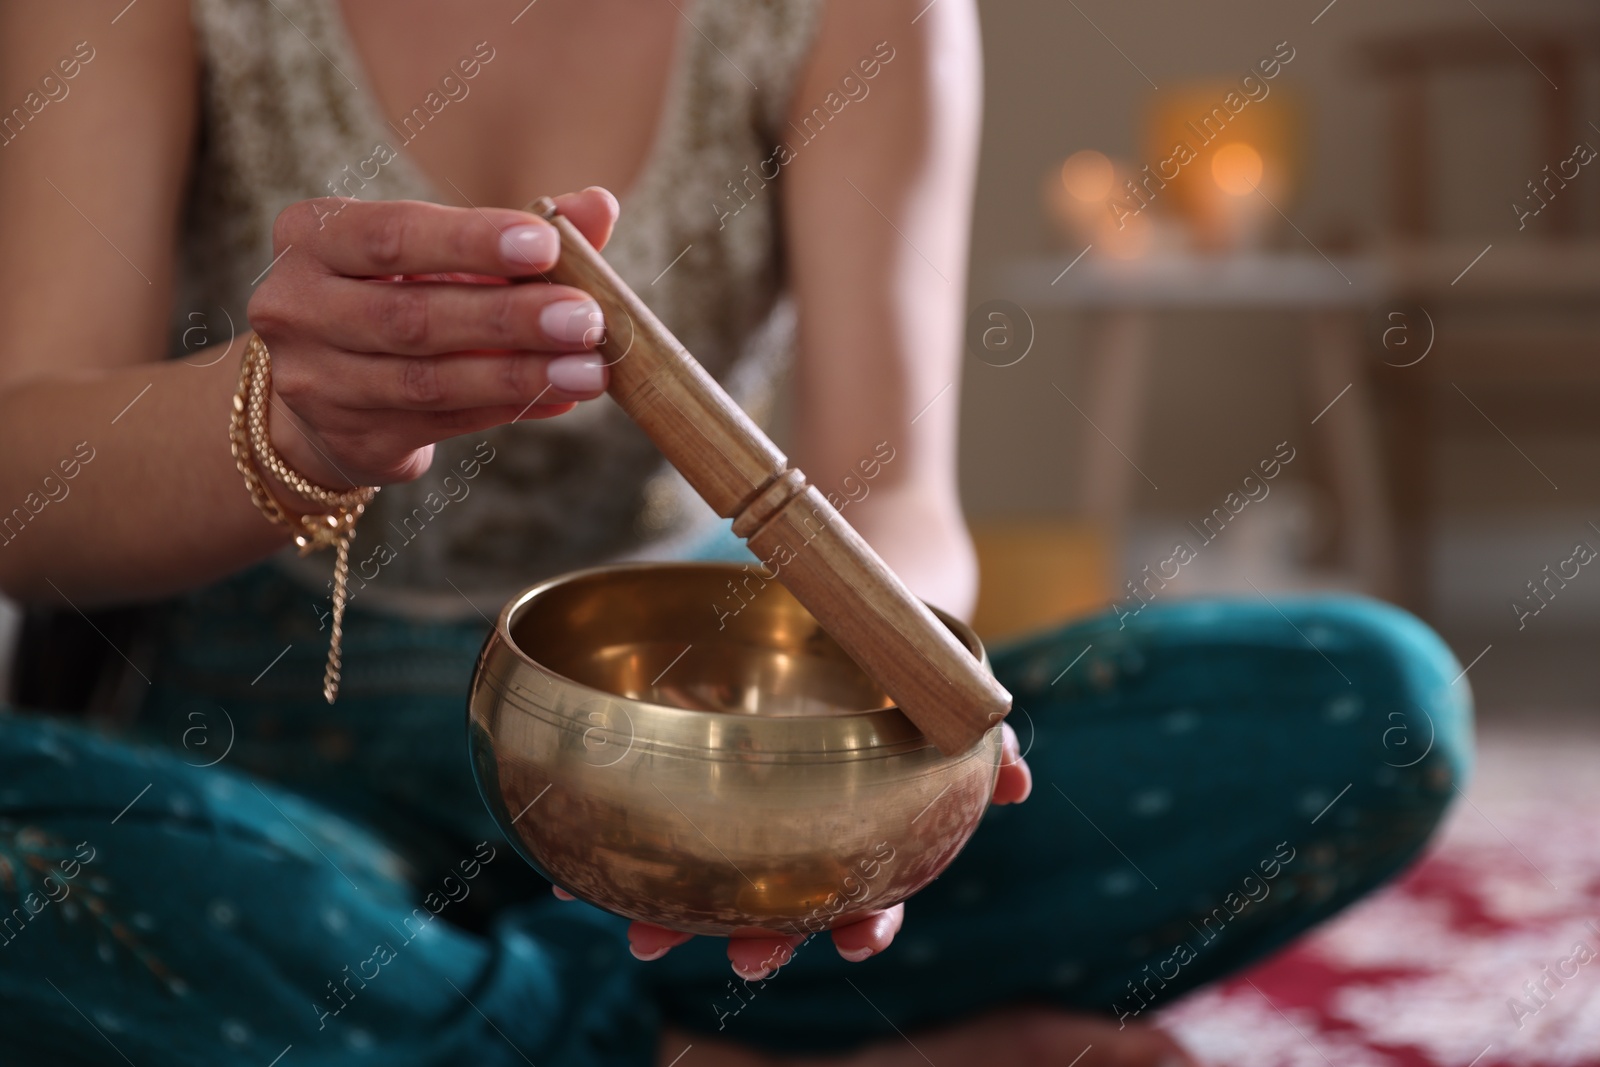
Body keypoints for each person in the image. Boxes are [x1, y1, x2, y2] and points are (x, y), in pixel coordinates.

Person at [0, 1, 1470, 1065]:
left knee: (1365, 704)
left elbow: (892, 490)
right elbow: (26, 506)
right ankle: (689, 1053)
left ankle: (450, 1022)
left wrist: (872, 750)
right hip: (267, 763)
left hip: (700, 759)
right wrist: (283, 424)